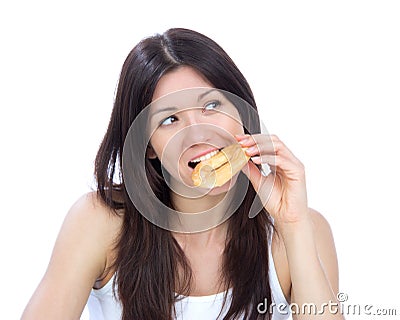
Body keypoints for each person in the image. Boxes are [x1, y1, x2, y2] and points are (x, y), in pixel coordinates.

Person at [22, 28, 343, 320]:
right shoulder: (100, 223)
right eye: (169, 120)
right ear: (147, 146)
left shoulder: (300, 231)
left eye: (212, 106)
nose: (197, 134)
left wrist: (293, 226)